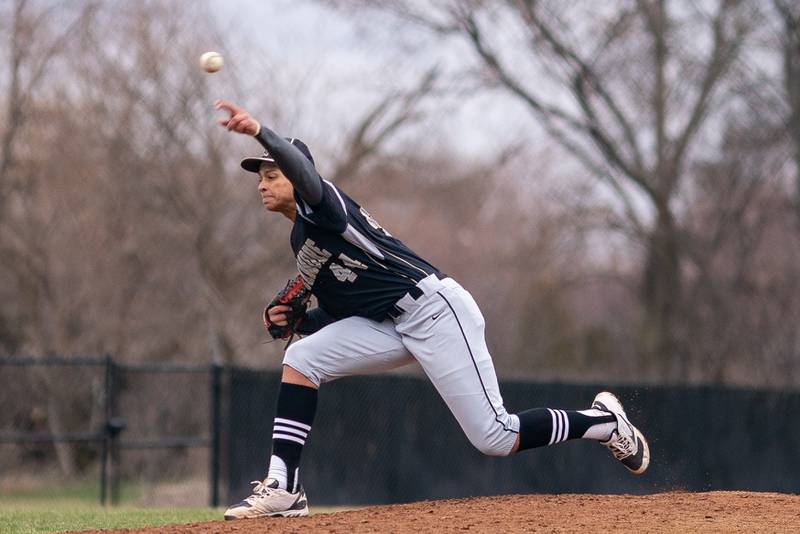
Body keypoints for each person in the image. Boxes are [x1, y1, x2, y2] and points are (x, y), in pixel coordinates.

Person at [214, 99, 650, 520]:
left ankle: (604, 423)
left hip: (436, 311)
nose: (262, 183)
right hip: (391, 323)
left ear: (295, 174)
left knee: (497, 436)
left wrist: (260, 132)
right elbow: (346, 308)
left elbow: (306, 174)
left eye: (272, 173)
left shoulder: (326, 206)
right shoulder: (301, 243)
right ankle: (284, 487)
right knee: (302, 358)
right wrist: (301, 321)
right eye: (260, 177)